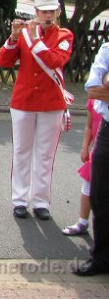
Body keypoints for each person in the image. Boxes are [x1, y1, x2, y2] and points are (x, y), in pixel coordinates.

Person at [0, 0, 73, 221]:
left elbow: (54, 60)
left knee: (45, 155)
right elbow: (4, 62)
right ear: (36, 11)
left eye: (52, 11)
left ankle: (41, 201)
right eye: (43, 11)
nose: (47, 16)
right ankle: (20, 199)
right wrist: (12, 37)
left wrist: (34, 37)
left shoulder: (65, 34)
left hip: (51, 102)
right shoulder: (26, 34)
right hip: (24, 100)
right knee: (21, 151)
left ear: (59, 11)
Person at [73, 42, 109, 276]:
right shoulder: (107, 49)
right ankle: (101, 259)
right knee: (101, 197)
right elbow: (93, 89)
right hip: (107, 132)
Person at [62, 97, 100, 236]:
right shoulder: (95, 99)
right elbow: (89, 126)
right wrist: (85, 148)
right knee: (88, 186)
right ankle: (82, 223)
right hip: (98, 151)